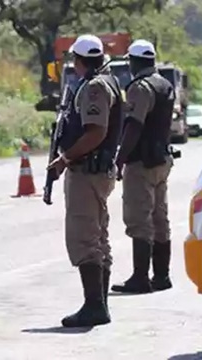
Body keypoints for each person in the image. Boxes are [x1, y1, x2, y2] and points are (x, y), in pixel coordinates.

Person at [46, 34, 123, 327]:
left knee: (84, 237)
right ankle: (98, 303)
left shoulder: (94, 88)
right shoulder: (107, 80)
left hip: (88, 172)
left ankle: (95, 306)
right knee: (98, 236)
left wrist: (65, 159)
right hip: (97, 171)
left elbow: (95, 132)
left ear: (79, 60)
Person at [111, 39, 175, 294]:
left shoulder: (141, 87)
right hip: (162, 158)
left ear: (134, 62)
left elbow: (134, 125)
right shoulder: (165, 85)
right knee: (160, 217)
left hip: (142, 161)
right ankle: (162, 275)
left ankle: (140, 277)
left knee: (139, 218)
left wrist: (120, 157)